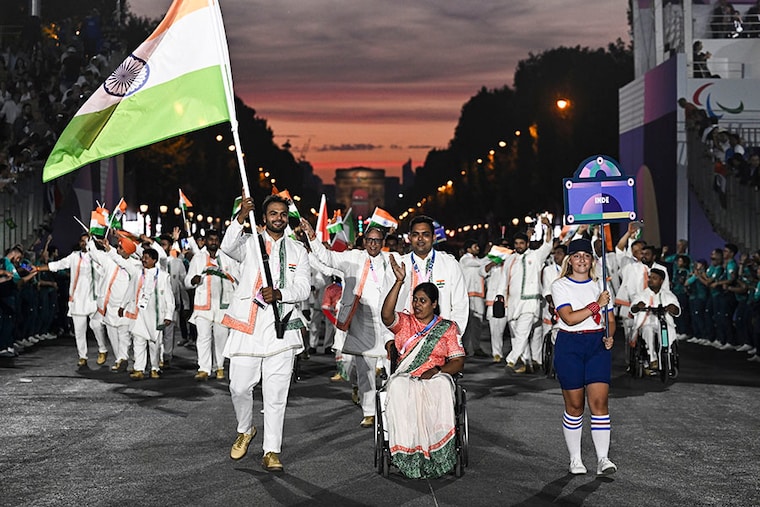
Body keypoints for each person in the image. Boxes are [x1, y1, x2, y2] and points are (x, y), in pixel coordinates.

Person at [220, 194, 310, 472]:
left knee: (276, 394)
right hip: (248, 327)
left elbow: (304, 288)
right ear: (264, 217)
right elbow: (226, 246)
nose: (278, 218)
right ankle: (245, 429)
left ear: (287, 217)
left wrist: (281, 293)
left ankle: (272, 450)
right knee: (238, 386)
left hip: (281, 330)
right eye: (273, 213)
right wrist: (238, 218)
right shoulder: (249, 243)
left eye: (283, 214)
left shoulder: (298, 250)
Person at [380, 255, 465, 479]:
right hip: (407, 374)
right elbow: (386, 315)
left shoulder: (447, 328)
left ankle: (437, 452)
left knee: (440, 386)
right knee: (398, 386)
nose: (417, 305)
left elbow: (458, 361)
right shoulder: (406, 323)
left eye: (423, 301)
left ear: (434, 304)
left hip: (435, 375)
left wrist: (438, 371)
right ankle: (407, 451)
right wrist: (399, 282)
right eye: (415, 300)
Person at [302, 219, 392, 428]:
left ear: (383, 242)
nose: (373, 244)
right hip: (361, 322)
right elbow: (327, 257)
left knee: (392, 370)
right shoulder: (353, 258)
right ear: (364, 241)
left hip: (388, 323)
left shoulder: (392, 259)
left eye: (377, 241)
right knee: (365, 371)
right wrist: (312, 237)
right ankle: (369, 412)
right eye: (369, 240)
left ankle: (389, 408)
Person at [550, 238, 616, 476]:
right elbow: (569, 318)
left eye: (586, 256)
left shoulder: (602, 286)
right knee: (575, 406)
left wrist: (610, 336)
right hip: (570, 345)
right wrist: (597, 304)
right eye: (576, 256)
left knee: (599, 404)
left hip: (597, 345)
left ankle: (603, 459)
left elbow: (610, 320)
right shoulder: (560, 286)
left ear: (592, 260)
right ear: (569, 260)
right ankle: (575, 459)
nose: (581, 260)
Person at [36, 233, 109, 368]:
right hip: (77, 300)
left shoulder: (99, 257)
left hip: (94, 299)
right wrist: (39, 268)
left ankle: (102, 349)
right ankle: (82, 356)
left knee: (97, 326)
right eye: (82, 241)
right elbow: (58, 265)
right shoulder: (74, 257)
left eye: (86, 241)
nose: (84, 243)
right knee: (79, 330)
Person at [388, 215, 468, 335]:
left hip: (440, 338)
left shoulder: (449, 264)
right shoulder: (399, 265)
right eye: (415, 235)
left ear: (433, 237)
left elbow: (460, 303)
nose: (420, 239)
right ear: (410, 237)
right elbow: (387, 306)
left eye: (425, 234)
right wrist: (389, 339)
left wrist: (453, 336)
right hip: (406, 339)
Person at [185, 229, 238, 381]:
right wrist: (193, 281)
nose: (213, 242)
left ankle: (219, 367)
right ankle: (204, 369)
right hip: (203, 305)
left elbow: (238, 279)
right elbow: (187, 281)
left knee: (221, 338)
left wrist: (228, 277)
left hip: (223, 306)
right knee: (203, 338)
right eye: (210, 239)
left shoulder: (228, 258)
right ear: (206, 241)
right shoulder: (198, 258)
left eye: (216, 239)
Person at [504, 216, 553, 372]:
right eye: (516, 244)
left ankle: (511, 361)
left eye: (522, 243)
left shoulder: (535, 256)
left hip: (530, 303)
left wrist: (548, 228)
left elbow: (547, 245)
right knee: (518, 335)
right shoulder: (510, 259)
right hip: (512, 303)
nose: (519, 246)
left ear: (527, 244)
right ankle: (527, 363)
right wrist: (500, 297)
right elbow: (504, 280)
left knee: (523, 332)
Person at [120, 248, 174, 380]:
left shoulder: (163, 276)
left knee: (154, 343)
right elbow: (130, 290)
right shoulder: (138, 274)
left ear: (154, 260)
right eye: (143, 257)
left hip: (155, 316)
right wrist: (123, 305)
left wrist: (168, 315)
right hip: (139, 315)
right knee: (138, 341)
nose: (143, 260)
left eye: (147, 257)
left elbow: (169, 298)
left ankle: (155, 367)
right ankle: (139, 369)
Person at [631, 269, 680, 371]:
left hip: (664, 323)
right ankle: (653, 358)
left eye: (654, 278)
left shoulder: (668, 295)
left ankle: (666, 355)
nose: (650, 280)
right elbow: (633, 309)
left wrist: (673, 308)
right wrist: (637, 306)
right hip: (647, 322)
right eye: (650, 277)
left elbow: (677, 311)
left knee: (667, 332)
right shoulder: (642, 294)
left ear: (661, 281)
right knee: (648, 330)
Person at [459, 239, 496, 358]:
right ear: (468, 249)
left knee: (477, 323)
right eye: (475, 246)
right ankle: (463, 348)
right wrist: (489, 253)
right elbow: (482, 262)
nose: (477, 248)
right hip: (467, 295)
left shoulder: (476, 261)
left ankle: (476, 347)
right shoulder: (465, 259)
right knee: (467, 323)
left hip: (478, 295)